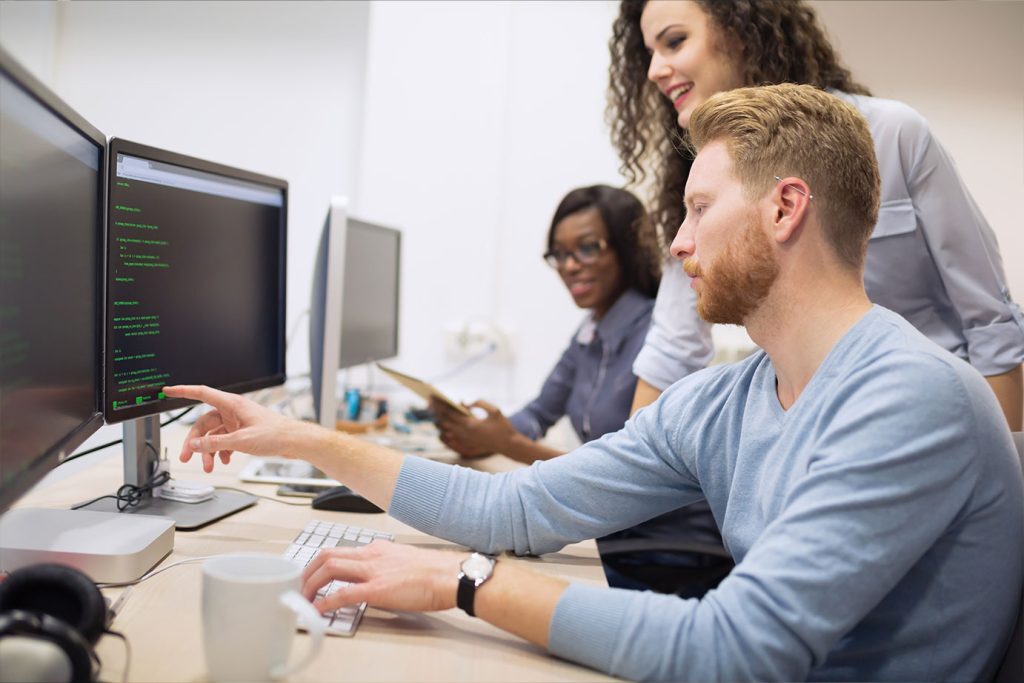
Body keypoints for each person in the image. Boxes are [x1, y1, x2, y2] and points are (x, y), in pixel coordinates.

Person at [166, 84, 1022, 682]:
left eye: (697, 208)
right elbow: (517, 509)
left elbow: (738, 650)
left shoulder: (910, 396)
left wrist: (466, 584)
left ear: (785, 208)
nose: (678, 244)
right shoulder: (724, 400)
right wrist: (294, 436)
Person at [609, 0, 1024, 429]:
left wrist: (1003, 465)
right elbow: (671, 346)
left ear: (740, 31)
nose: (655, 70)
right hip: (809, 426)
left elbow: (991, 321)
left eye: (674, 42)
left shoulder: (894, 134)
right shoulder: (702, 180)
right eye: (649, 54)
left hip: (931, 417)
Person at [431, 184, 660, 464]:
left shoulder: (659, 338)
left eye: (588, 248)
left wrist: (506, 443)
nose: (569, 266)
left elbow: (626, 471)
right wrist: (476, 437)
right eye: (560, 254)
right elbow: (538, 414)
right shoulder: (590, 332)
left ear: (628, 249)